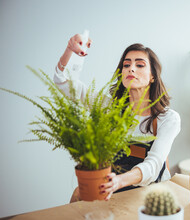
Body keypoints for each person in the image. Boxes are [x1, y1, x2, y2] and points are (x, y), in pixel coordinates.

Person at [54, 33, 181, 202]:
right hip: (115, 187)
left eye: (140, 65)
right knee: (79, 193)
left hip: (150, 193)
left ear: (152, 77)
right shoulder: (109, 108)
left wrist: (118, 181)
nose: (131, 68)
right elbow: (62, 82)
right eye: (126, 65)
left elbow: (154, 164)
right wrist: (71, 50)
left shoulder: (167, 118)